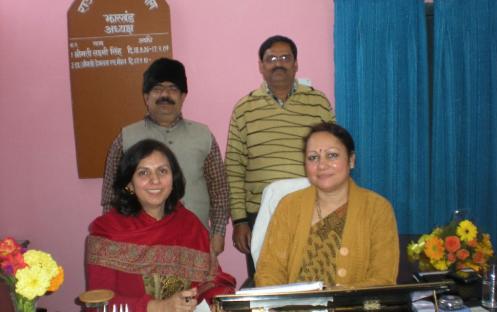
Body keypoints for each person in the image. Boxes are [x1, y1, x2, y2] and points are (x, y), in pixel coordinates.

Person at [225, 35, 334, 278]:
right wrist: (240, 221)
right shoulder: (244, 108)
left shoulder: (318, 102)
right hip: (261, 214)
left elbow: (334, 156)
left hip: (312, 209)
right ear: (261, 66)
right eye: (271, 58)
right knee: (267, 282)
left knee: (314, 278)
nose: (278, 63)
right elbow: (233, 167)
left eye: (285, 58)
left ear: (296, 64)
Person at [86, 139, 235, 312]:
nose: (155, 180)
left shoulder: (190, 225)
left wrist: (217, 301)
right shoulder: (107, 231)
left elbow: (213, 282)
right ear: (129, 185)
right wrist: (158, 307)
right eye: (143, 173)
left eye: (162, 171)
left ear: (173, 180)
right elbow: (97, 306)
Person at [101, 58, 229, 256]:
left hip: (195, 243)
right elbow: (111, 196)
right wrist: (113, 237)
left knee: (198, 288)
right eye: (158, 89)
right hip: (141, 245)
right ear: (146, 96)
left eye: (172, 89)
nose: (165, 95)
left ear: (183, 96)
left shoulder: (203, 136)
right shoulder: (125, 138)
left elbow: (219, 192)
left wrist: (218, 233)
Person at [255, 122, 399, 288]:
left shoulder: (377, 209)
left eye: (332, 155)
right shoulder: (288, 206)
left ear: (351, 160)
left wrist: (335, 300)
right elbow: (269, 271)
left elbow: (383, 279)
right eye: (313, 157)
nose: (322, 165)